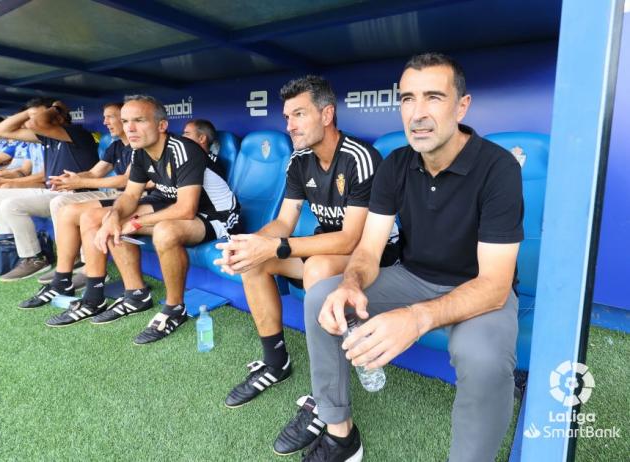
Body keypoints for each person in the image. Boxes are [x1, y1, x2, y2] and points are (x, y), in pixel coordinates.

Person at [300, 53, 524, 462]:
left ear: (462, 106)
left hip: (477, 291)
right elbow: (368, 250)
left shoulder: (498, 167)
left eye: (433, 97)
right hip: (412, 276)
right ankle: (338, 432)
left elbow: (494, 284)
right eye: (407, 99)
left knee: (484, 358)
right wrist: (350, 284)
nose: (417, 113)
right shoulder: (398, 163)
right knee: (322, 297)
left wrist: (417, 318)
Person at [214, 75, 398, 455]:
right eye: (286, 117)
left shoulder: (360, 158)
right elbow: (283, 221)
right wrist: (251, 246)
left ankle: (324, 400)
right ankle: (275, 361)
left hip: (375, 258)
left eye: (299, 114)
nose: (289, 125)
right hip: (325, 253)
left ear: (327, 114)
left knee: (316, 269)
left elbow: (352, 239)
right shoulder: (300, 161)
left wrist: (277, 247)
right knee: (256, 265)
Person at [45, 96, 240, 348]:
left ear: (161, 125)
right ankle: (120, 296)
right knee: (103, 217)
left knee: (165, 231)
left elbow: (186, 209)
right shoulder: (139, 153)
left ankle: (174, 308)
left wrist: (136, 223)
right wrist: (115, 217)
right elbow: (129, 196)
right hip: (170, 204)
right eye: (126, 121)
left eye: (139, 120)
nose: (130, 128)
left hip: (218, 214)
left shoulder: (185, 149)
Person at [18, 102, 134, 308]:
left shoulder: (138, 145)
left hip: (131, 197)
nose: (105, 122)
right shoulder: (116, 145)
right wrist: (70, 179)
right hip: (116, 194)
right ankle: (64, 276)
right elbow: (95, 172)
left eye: (111, 117)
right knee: (63, 205)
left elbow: (127, 181)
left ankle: (85, 271)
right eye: (105, 117)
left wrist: (81, 182)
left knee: (76, 210)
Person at [0, 98, 99, 281]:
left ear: (58, 116)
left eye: (39, 116)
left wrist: (55, 108)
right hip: (50, 191)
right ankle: (16, 251)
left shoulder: (76, 133)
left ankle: (61, 258)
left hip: (75, 193)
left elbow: (36, 123)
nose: (31, 121)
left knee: (15, 205)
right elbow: (0, 130)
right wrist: (30, 111)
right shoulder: (46, 137)